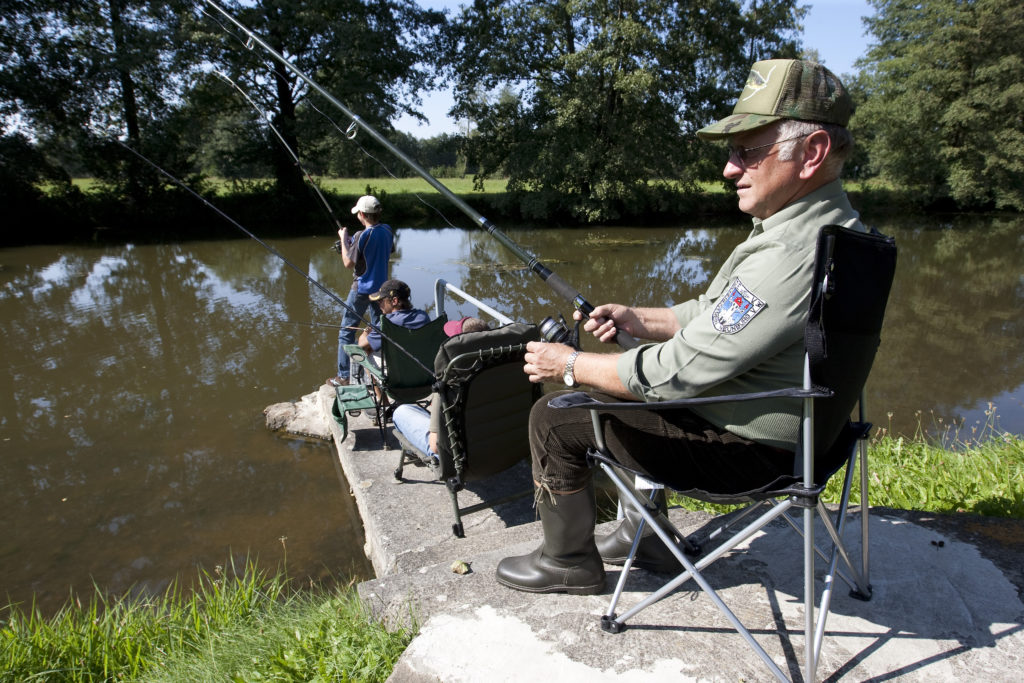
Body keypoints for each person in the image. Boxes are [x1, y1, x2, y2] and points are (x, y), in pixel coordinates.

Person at [495, 58, 864, 595]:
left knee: (556, 416)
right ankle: (643, 535)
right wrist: (637, 320)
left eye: (748, 153)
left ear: (811, 154)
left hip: (749, 454)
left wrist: (571, 365)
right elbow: (717, 314)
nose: (729, 170)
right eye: (731, 154)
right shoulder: (834, 230)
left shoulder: (790, 251)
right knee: (631, 391)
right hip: (812, 438)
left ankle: (567, 561)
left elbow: (680, 375)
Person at [391, 316, 490, 462]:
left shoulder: (449, 382)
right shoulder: (502, 372)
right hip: (493, 448)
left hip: (458, 457)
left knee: (401, 412)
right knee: (418, 412)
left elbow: (435, 446)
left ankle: (412, 451)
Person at [327, 195, 394, 387]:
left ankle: (343, 376)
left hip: (362, 289)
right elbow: (384, 252)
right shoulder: (388, 230)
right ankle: (379, 370)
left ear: (362, 215)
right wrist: (351, 245)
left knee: (346, 331)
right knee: (378, 329)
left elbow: (349, 263)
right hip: (381, 289)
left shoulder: (361, 236)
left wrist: (343, 241)